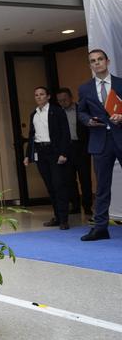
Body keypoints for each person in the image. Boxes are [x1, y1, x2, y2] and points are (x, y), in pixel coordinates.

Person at [76, 49, 122, 241]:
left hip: (120, 137)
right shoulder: (85, 88)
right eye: (93, 61)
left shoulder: (120, 83)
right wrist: (88, 121)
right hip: (99, 141)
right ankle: (101, 227)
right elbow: (82, 112)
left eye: (100, 59)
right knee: (102, 187)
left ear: (107, 61)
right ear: (90, 65)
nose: (97, 63)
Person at [23, 86, 72, 230]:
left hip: (55, 151)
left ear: (48, 96)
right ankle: (57, 216)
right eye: (36, 95)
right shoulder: (34, 114)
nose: (39, 97)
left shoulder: (57, 112)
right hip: (41, 152)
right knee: (50, 186)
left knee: (59, 185)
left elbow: (65, 133)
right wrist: (28, 156)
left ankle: (64, 219)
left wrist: (64, 153)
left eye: (42, 94)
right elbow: (32, 136)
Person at [56, 87, 93, 216]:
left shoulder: (81, 110)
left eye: (65, 99)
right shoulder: (58, 113)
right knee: (69, 180)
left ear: (71, 97)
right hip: (66, 149)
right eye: (59, 101)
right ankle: (75, 205)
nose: (62, 102)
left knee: (85, 178)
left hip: (81, 148)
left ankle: (87, 206)